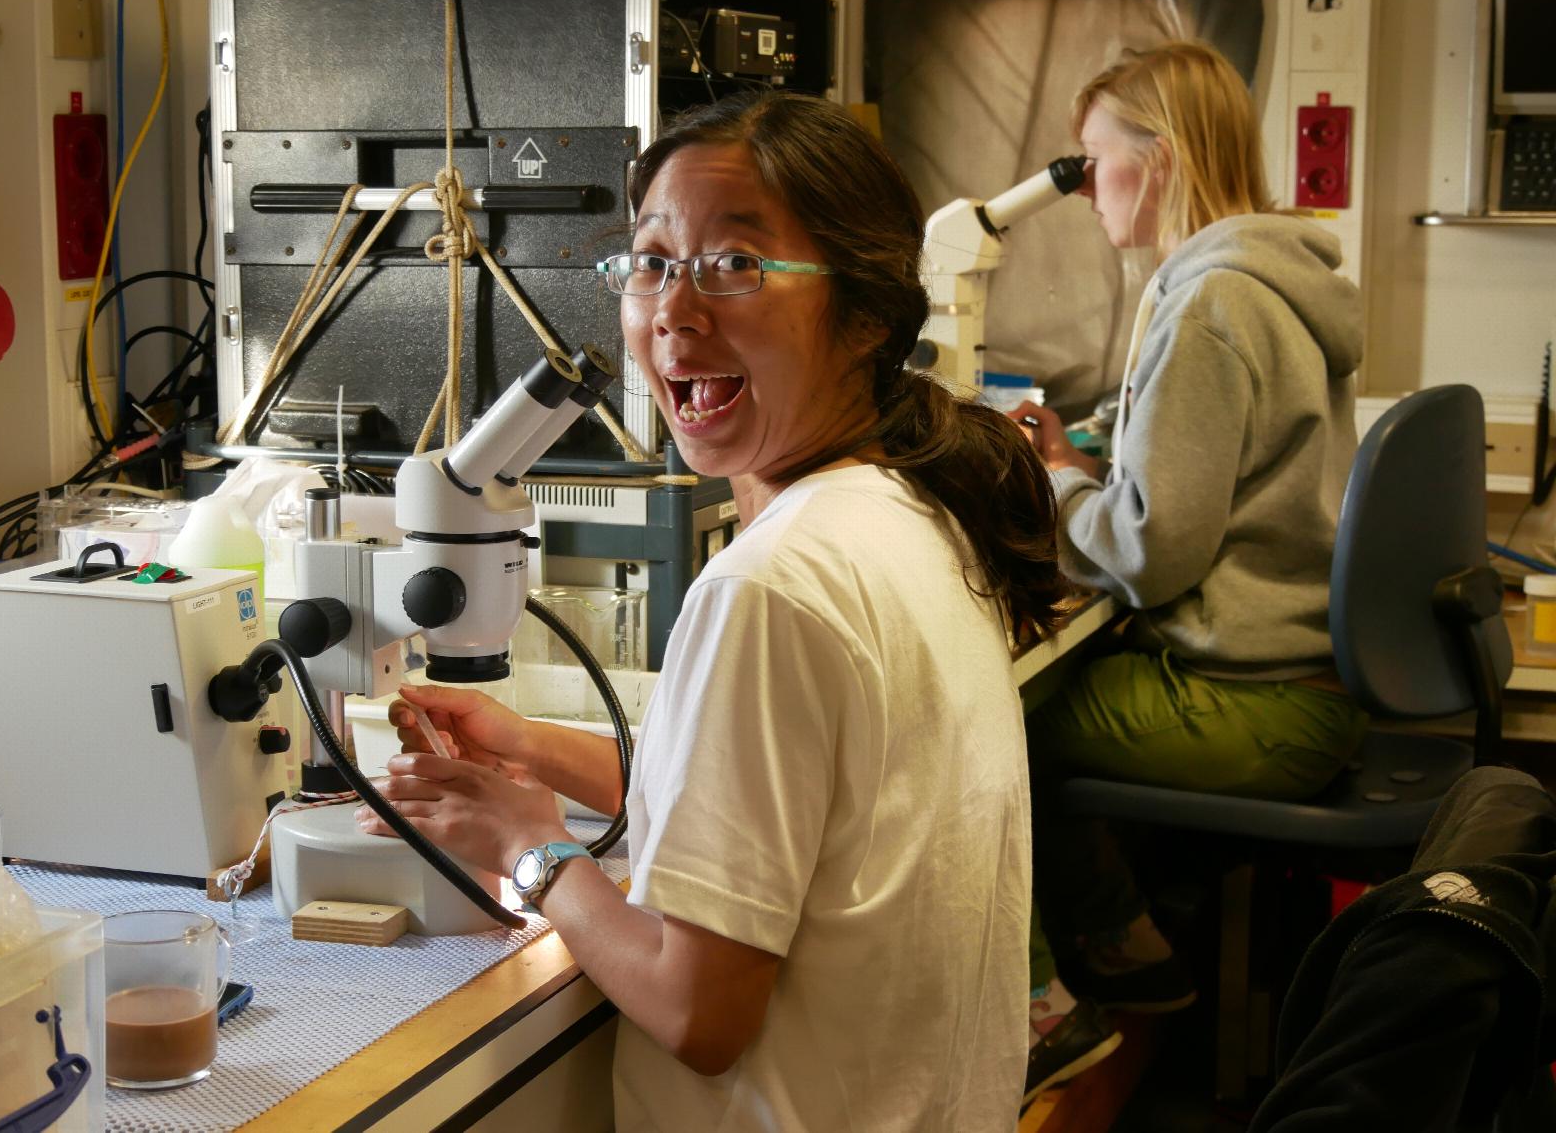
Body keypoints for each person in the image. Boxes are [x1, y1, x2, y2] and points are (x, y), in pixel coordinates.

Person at [368, 91, 1074, 1131]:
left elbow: (697, 1011)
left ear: (865, 314)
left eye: (735, 265)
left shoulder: (769, 585)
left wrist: (530, 848)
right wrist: (531, 749)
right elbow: (793, 810)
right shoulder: (912, 510)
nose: (672, 313)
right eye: (650, 261)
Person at [997, 42, 1368, 1084]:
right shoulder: (1266, 280)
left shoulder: (1207, 305)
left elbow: (1151, 555)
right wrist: (1082, 465)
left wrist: (1053, 488)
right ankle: (1129, 949)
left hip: (1258, 702)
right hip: (1299, 675)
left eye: (1090, 161)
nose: (1080, 192)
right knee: (1044, 684)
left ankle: (1041, 1020)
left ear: (1156, 162)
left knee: (982, 721)